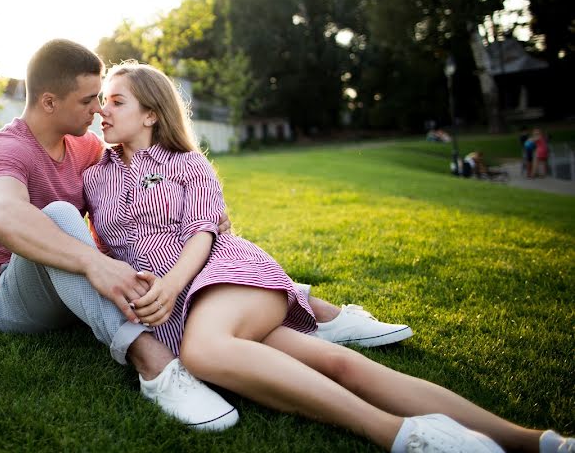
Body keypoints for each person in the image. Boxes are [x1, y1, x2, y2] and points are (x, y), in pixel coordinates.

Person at [83, 60, 573, 453]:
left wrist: (168, 286)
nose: (102, 111)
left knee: (205, 352)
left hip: (222, 278)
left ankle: (397, 434)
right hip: (179, 312)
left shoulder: (188, 164)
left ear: (150, 113)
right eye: (101, 102)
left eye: (115, 101)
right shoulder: (93, 175)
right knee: (340, 367)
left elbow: (204, 233)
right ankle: (537, 442)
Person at [0, 39, 411, 431]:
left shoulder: (86, 145)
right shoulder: (7, 149)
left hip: (75, 293)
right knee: (62, 215)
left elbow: (141, 185)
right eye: (89, 100)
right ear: (49, 102)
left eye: (104, 99)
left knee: (175, 246)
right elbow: (5, 217)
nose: (98, 109)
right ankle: (155, 366)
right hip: (17, 299)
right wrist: (94, 261)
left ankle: (316, 312)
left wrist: (205, 218)